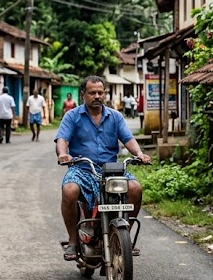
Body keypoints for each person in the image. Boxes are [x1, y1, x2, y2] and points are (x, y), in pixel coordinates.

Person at [56, 75, 151, 261]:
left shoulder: (115, 117)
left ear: (105, 94)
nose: (97, 96)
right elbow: (62, 140)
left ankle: (124, 238)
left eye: (100, 92)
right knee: (69, 190)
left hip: (111, 170)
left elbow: (128, 139)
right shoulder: (72, 116)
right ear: (83, 95)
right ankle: (73, 241)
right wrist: (62, 154)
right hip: (82, 169)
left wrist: (139, 154)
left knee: (135, 188)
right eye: (92, 93)